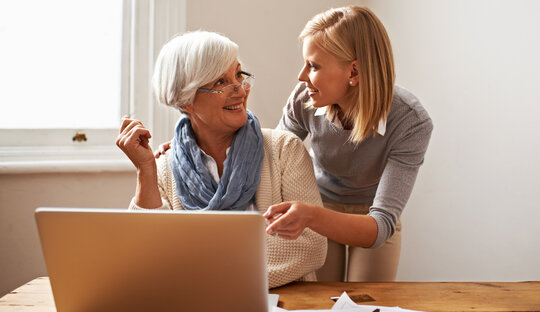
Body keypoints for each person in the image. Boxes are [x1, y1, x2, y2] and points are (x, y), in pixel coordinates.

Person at [116, 30, 327, 289]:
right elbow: (147, 253)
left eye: (238, 75)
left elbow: (310, 245)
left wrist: (197, 267)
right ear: (186, 100)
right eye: (219, 82)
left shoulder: (286, 150)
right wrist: (145, 169)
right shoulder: (162, 167)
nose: (239, 89)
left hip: (283, 310)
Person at [264, 6, 433, 282]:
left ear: (353, 70)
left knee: (368, 308)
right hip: (317, 204)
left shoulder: (411, 122)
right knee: (317, 307)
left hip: (371, 218)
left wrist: (311, 217)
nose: (301, 76)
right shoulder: (305, 98)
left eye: (314, 65)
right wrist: (188, 142)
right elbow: (272, 156)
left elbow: (380, 225)